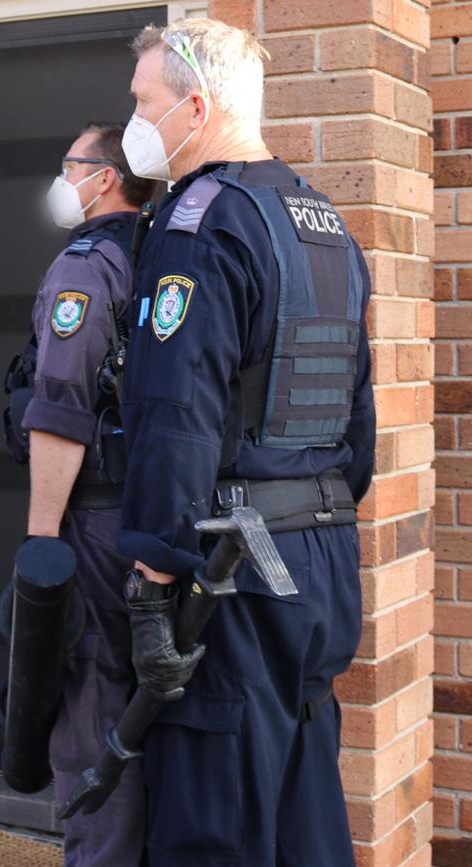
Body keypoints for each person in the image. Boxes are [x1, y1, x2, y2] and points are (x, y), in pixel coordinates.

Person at [117, 19, 376, 867]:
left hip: (231, 571)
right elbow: (358, 420)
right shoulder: (323, 221)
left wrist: (154, 583)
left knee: (214, 817)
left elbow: (174, 414)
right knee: (304, 806)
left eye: (144, 101)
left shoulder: (198, 225)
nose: (136, 121)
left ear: (196, 105)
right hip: (323, 557)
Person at [20, 121, 155, 866]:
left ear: (103, 177)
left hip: (97, 519)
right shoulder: (166, 251)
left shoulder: (87, 263)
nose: (61, 178)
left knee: (95, 708)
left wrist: (42, 543)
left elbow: (62, 403)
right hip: (160, 524)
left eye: (68, 163)